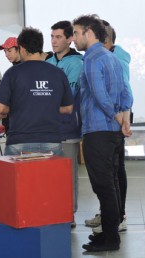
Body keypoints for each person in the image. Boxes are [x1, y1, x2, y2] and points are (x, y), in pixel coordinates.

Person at [72, 14, 132, 252]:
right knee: (112, 185)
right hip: (113, 132)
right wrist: (124, 116)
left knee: (104, 186)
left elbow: (98, 92)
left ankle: (111, 239)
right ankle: (109, 233)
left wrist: (114, 114)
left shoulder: (92, 58)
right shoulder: (112, 57)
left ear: (88, 32)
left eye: (76, 33)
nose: (74, 38)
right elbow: (126, 91)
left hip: (98, 130)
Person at [0, 27, 73, 156]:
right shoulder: (58, 73)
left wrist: (22, 107)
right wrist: (44, 106)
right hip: (52, 140)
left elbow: (0, 109)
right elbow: (68, 108)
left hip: (19, 141)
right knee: (51, 177)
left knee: (20, 177)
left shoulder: (12, 73)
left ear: (23, 49)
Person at [86, 20, 133, 234]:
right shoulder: (108, 56)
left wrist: (123, 118)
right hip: (114, 120)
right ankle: (109, 215)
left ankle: (117, 217)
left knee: (114, 173)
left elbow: (125, 91)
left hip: (112, 122)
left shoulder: (113, 59)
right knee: (110, 174)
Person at [46, 20, 83, 228]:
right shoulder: (48, 62)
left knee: (68, 176)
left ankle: (69, 214)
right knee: (50, 175)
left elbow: (67, 95)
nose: (54, 41)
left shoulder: (77, 63)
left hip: (68, 127)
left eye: (58, 37)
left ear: (70, 39)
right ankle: (53, 211)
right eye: (52, 36)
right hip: (48, 129)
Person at [0, 36, 22, 134]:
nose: (6, 54)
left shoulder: (24, 70)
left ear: (18, 49)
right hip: (11, 121)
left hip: (20, 122)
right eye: (5, 51)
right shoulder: (11, 71)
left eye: (9, 51)